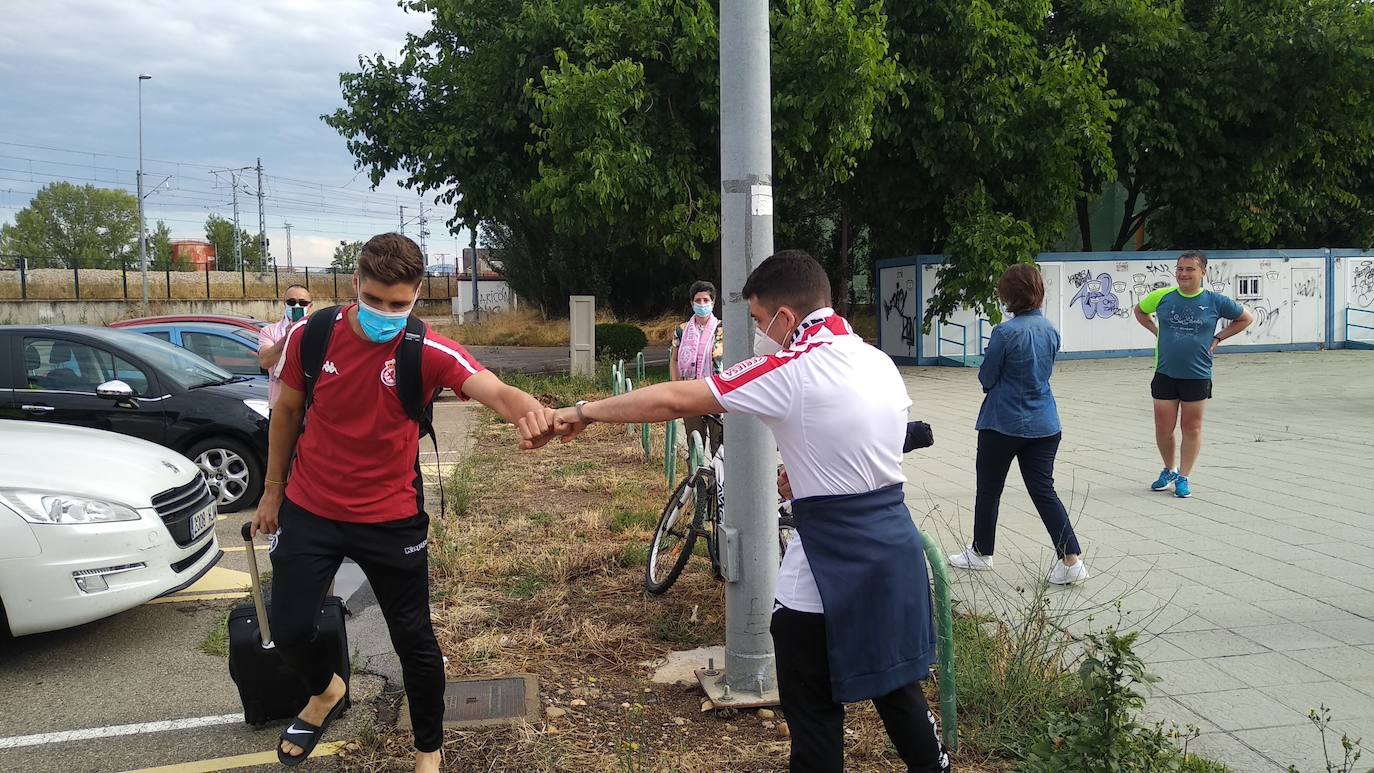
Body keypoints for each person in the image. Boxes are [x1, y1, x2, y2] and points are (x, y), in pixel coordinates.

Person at [520, 251, 949, 773]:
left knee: (814, 721)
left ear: (786, 318)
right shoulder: (877, 360)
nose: (760, 334)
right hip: (895, 555)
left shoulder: (792, 367)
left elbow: (677, 399)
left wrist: (584, 412)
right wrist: (811, 472)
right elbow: (881, 441)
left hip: (828, 567)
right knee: (901, 697)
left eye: (759, 321)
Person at [250, 233, 551, 772]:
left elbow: (497, 390)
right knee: (290, 628)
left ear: (416, 298)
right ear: (355, 285)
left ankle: (428, 750)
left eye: (399, 304)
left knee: (414, 642)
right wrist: (272, 493)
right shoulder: (311, 337)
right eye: (375, 301)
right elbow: (288, 413)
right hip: (311, 508)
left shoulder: (425, 350)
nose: (385, 314)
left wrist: (534, 413)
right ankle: (325, 691)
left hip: (390, 520)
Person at [947, 264, 1088, 585]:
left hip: (1002, 423)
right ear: (1039, 291)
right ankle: (1071, 559)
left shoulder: (1004, 333)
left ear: (1008, 295)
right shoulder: (1051, 330)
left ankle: (982, 552)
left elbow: (987, 376)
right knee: (1044, 491)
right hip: (1045, 423)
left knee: (989, 489)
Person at [1133, 250, 1253, 498]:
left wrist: (1219, 337)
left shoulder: (1214, 301)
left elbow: (1245, 318)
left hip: (1197, 374)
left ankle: (1184, 477)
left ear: (1202, 272)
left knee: (1192, 427)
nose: (1183, 274)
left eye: (1189, 269)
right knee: (1163, 428)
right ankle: (1170, 469)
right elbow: (1139, 311)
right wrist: (1156, 331)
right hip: (1165, 372)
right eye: (1179, 269)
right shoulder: (1163, 296)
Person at [669, 280, 725, 452]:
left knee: (719, 446)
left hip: (716, 394)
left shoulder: (722, 329)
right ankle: (695, 478)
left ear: (713, 303)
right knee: (694, 443)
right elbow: (675, 360)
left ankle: (718, 479)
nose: (702, 304)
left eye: (706, 300)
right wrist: (676, 387)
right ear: (692, 303)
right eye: (698, 300)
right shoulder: (681, 330)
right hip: (690, 394)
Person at [258, 283, 312, 409]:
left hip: (308, 405)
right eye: (291, 302)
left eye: (303, 303)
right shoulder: (269, 331)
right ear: (285, 304)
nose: (297, 306)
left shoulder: (317, 330)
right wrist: (288, 337)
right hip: (279, 405)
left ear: (310, 306)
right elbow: (264, 361)